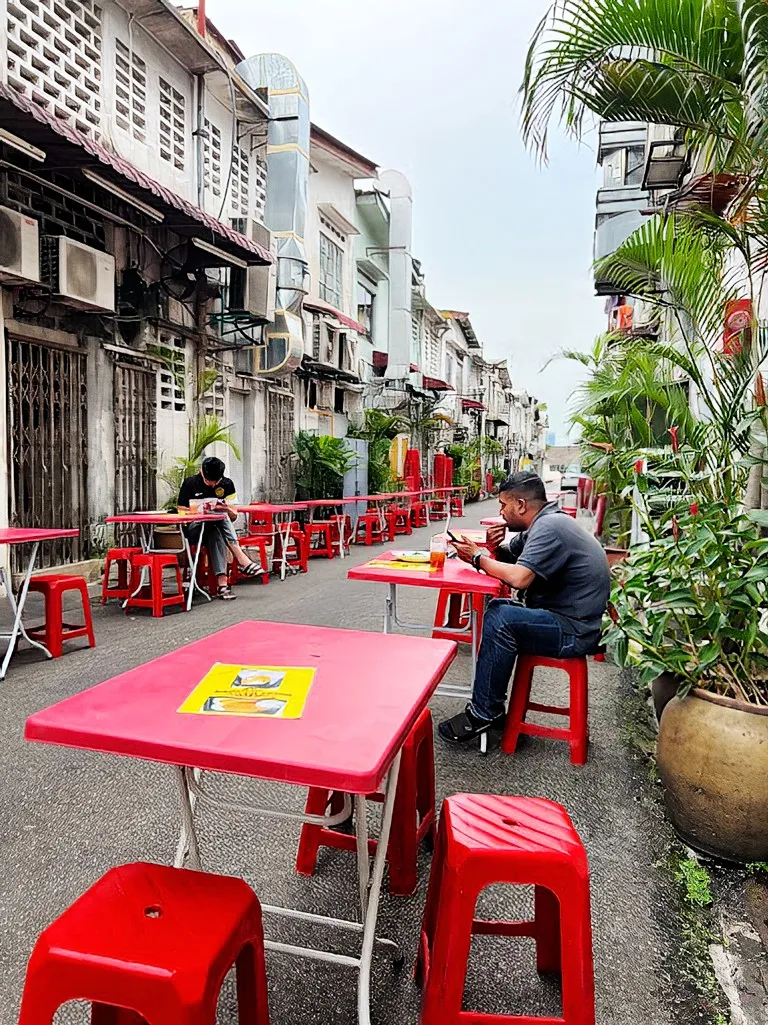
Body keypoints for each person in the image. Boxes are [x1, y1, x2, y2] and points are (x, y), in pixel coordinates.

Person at [438, 471, 610, 744]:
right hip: (568, 620)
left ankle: (484, 713)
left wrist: (479, 557)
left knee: (502, 617)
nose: (501, 512)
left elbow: (519, 577)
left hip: (575, 631)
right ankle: (491, 707)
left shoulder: (549, 527)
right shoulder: (543, 523)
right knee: (501, 608)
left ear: (520, 504)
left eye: (504, 505)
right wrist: (493, 547)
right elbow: (511, 556)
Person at [177, 456, 263, 601]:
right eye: (209, 481)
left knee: (218, 526)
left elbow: (234, 516)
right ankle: (242, 558)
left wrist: (224, 508)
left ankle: (222, 585)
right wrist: (197, 512)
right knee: (219, 518)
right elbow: (180, 511)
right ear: (202, 473)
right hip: (194, 529)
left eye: (215, 481)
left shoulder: (227, 484)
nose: (212, 484)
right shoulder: (190, 483)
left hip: (214, 529)